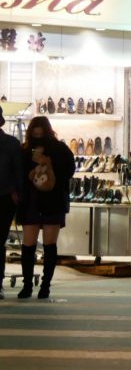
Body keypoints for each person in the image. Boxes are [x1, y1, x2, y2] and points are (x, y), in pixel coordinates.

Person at [15, 116, 74, 299]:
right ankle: (36, 285)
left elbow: (68, 171)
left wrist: (46, 164)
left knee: (37, 245)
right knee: (39, 245)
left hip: (43, 200)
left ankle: (40, 286)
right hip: (43, 201)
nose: (37, 135)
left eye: (39, 132)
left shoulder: (53, 149)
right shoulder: (29, 150)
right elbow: (69, 172)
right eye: (35, 132)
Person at [0, 105, 24, 299]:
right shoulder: (11, 143)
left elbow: (18, 172)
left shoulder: (11, 143)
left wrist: (17, 194)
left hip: (4, 198)